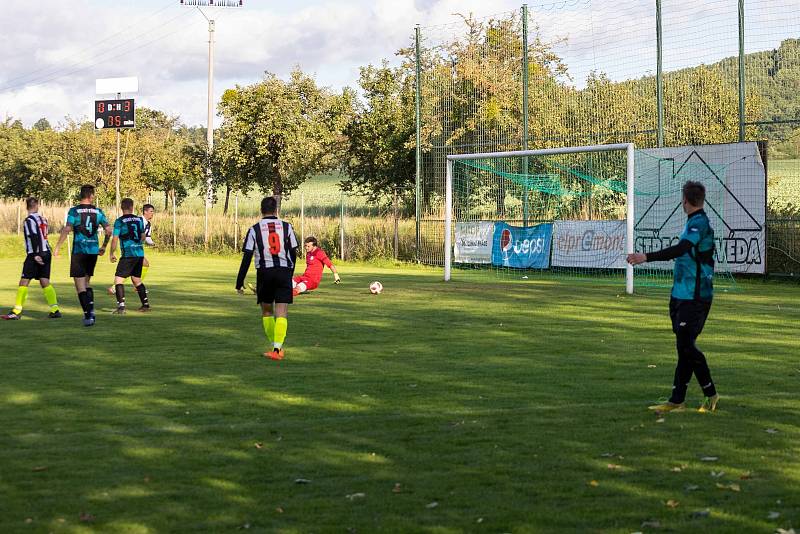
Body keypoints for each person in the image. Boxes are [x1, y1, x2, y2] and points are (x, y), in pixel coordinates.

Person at [627, 180, 719, 413]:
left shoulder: (700, 224)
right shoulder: (693, 223)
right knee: (683, 347)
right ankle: (677, 400)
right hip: (680, 294)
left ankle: (710, 393)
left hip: (696, 297)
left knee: (687, 346)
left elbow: (680, 250)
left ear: (684, 201)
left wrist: (645, 257)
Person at [236, 196, 299, 360]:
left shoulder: (254, 229)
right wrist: (290, 271)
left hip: (265, 273)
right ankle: (277, 349)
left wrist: (239, 281)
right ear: (276, 210)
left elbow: (247, 256)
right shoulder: (287, 227)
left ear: (261, 210)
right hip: (284, 271)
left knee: (266, 311)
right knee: (282, 311)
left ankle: (275, 348)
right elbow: (293, 251)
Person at [53, 184, 111, 327]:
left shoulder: (74, 211)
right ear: (91, 196)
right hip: (92, 252)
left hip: (79, 251)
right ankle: (91, 311)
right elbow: (109, 230)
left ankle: (88, 315)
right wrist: (103, 246)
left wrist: (57, 247)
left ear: (81, 195)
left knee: (80, 286)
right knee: (86, 284)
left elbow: (67, 229)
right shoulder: (98, 212)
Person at [1, 197, 61, 320]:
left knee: (24, 281)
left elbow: (34, 236)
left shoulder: (29, 220)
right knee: (44, 281)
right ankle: (55, 310)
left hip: (35, 254)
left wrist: (36, 255)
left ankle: (16, 311)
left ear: (26, 206)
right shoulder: (43, 218)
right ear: (37, 205)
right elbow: (44, 236)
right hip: (46, 252)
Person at [109, 198, 150, 314]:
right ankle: (145, 305)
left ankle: (121, 307)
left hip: (128, 255)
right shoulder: (139, 220)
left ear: (121, 208)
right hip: (139, 254)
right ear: (132, 207)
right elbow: (143, 237)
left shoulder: (120, 221)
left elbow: (115, 239)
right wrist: (137, 245)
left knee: (118, 281)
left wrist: (111, 253)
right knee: (136, 280)